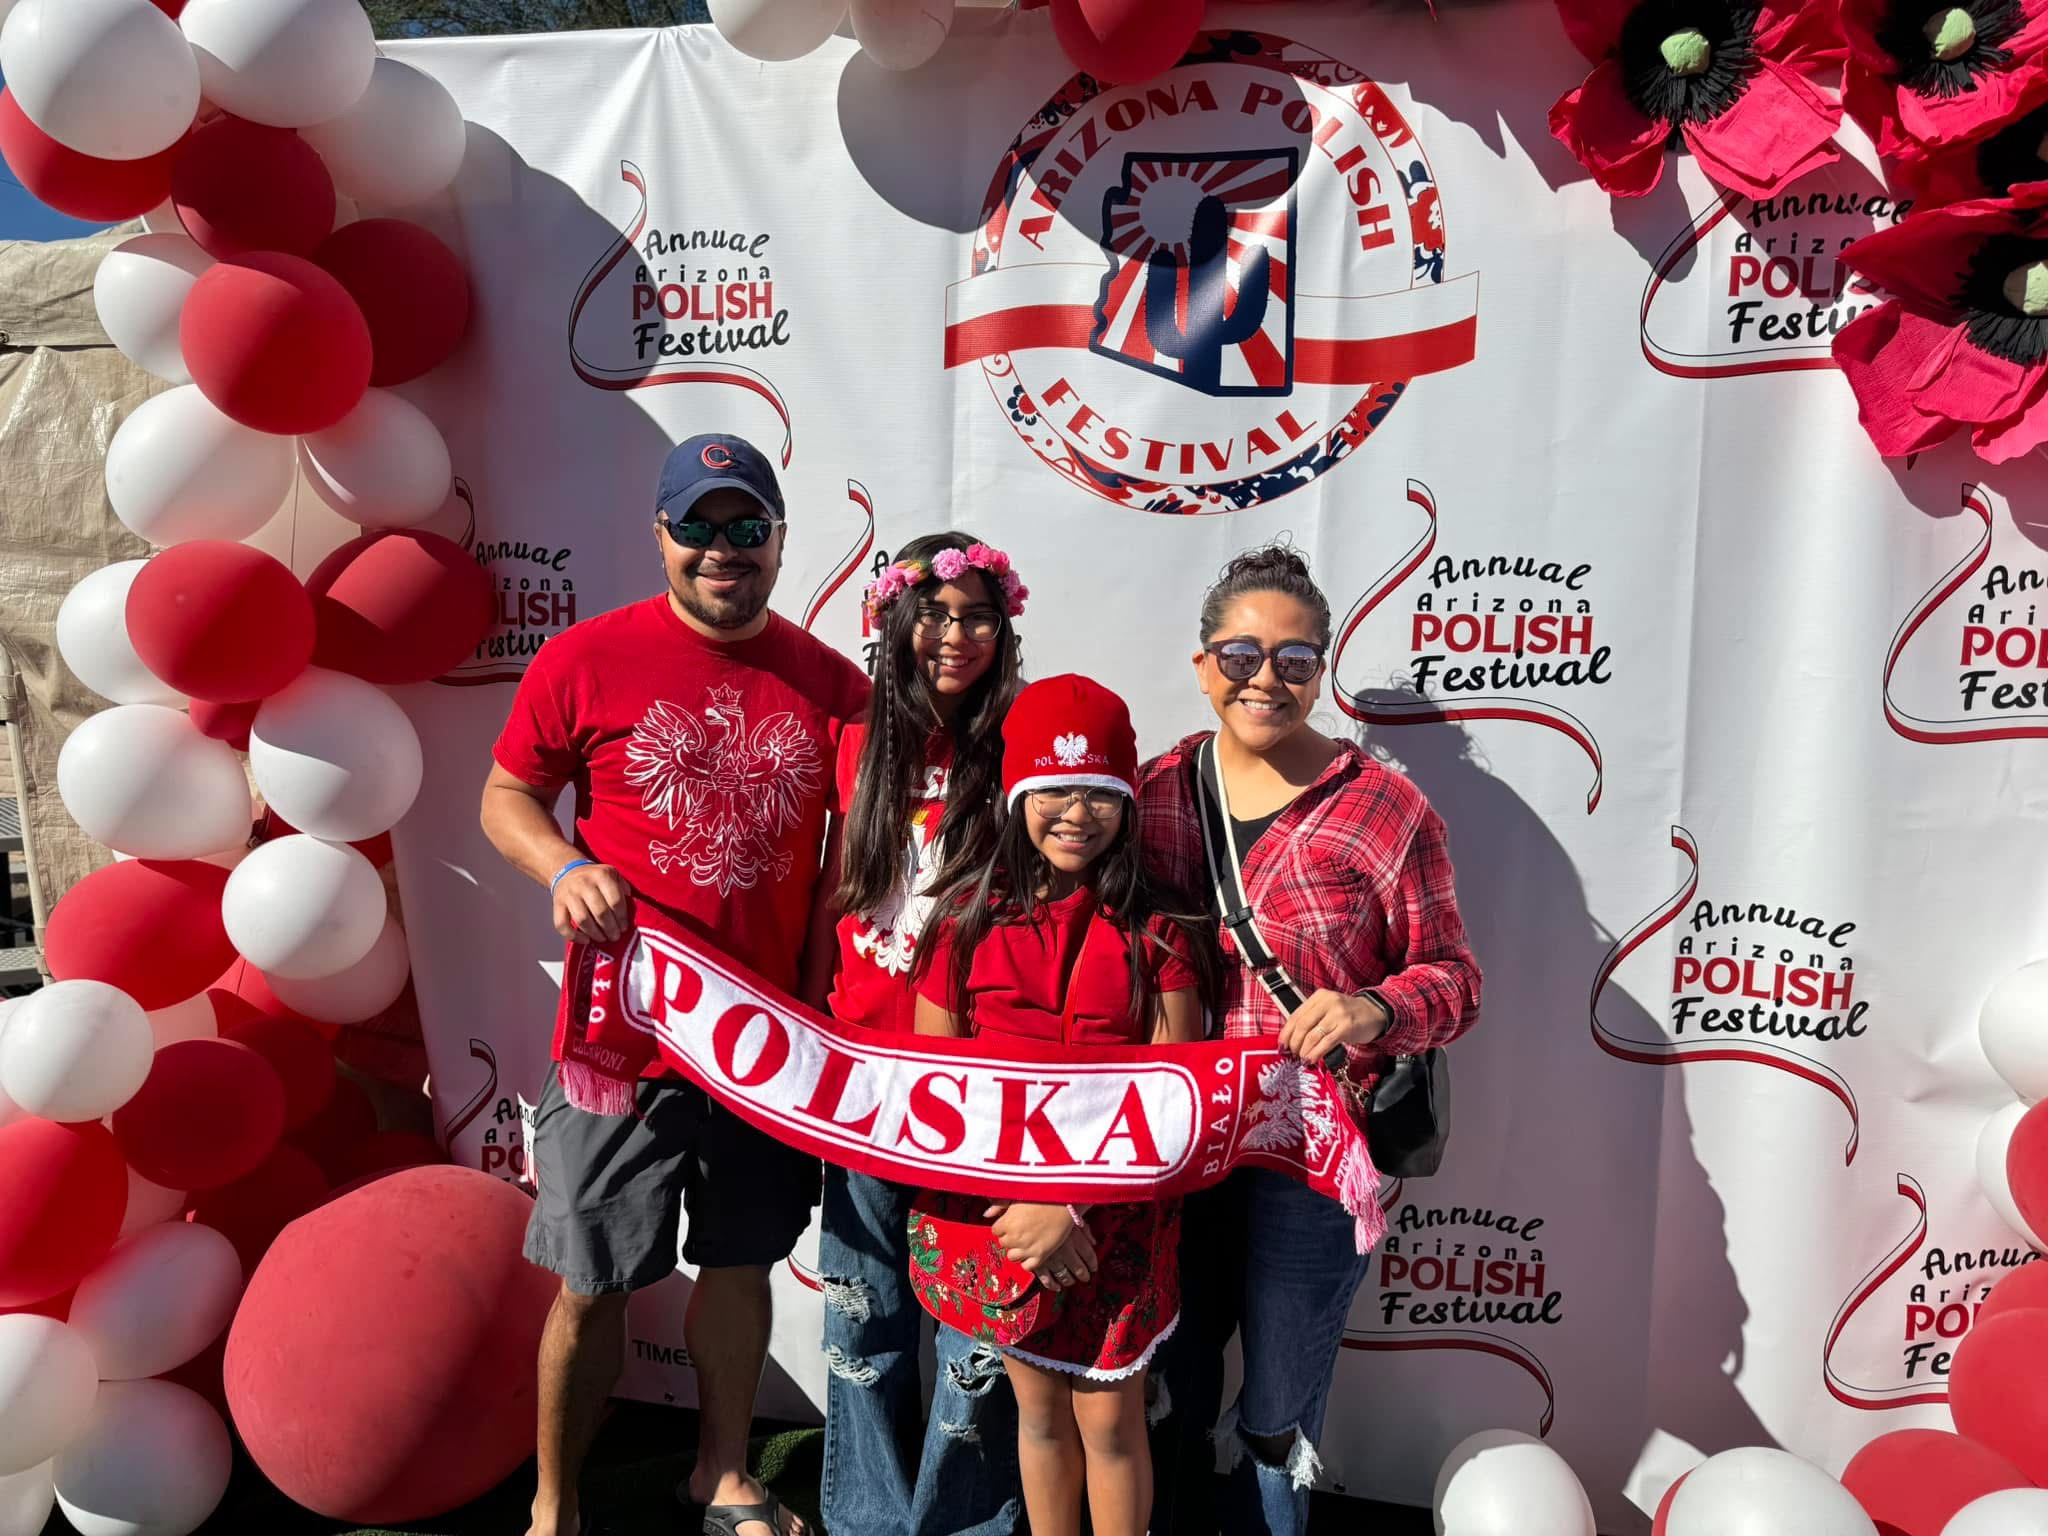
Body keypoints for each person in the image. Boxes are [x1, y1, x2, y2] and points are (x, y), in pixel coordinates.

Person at [480, 432, 868, 1536]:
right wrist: (563, 867)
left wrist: (818, 1009)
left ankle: (721, 1476)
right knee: (591, 1278)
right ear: (660, 535)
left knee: (741, 1265)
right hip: (622, 1046)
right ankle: (554, 1508)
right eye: (697, 525)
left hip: (764, 1051)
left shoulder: (835, 686)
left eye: (745, 527)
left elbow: (847, 870)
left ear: (778, 540)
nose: (721, 549)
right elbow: (505, 798)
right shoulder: (584, 658)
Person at [1137, 545, 1482, 1535]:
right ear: (1204, 665)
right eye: (1241, 654)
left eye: (1294, 660)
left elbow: (1456, 980)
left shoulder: (1386, 808)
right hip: (1182, 1142)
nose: (1266, 679)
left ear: (1319, 671)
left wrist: (1373, 1008)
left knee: (1278, 1410)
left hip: (1314, 1156)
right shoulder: (1156, 791)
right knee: (1166, 1383)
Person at [913, 674, 1216, 1536]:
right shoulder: (962, 922)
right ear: (1018, 796)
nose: (1077, 814)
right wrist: (1025, 1207)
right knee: (1039, 1415)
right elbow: (934, 1092)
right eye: (1054, 789)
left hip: (1115, 1218)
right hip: (1004, 1216)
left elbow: (1173, 1099)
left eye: (1101, 792)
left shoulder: (1161, 930)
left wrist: (1070, 1204)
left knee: (1111, 1423)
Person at [809, 533, 1027, 1536]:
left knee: (976, 1329)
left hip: (976, 1083)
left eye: (977, 616)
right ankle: (866, 1517)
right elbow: (826, 894)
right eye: (934, 614)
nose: (954, 634)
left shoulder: (1019, 740)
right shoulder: (853, 738)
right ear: (895, 620)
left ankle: (965, 1522)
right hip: (860, 1074)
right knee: (865, 1313)